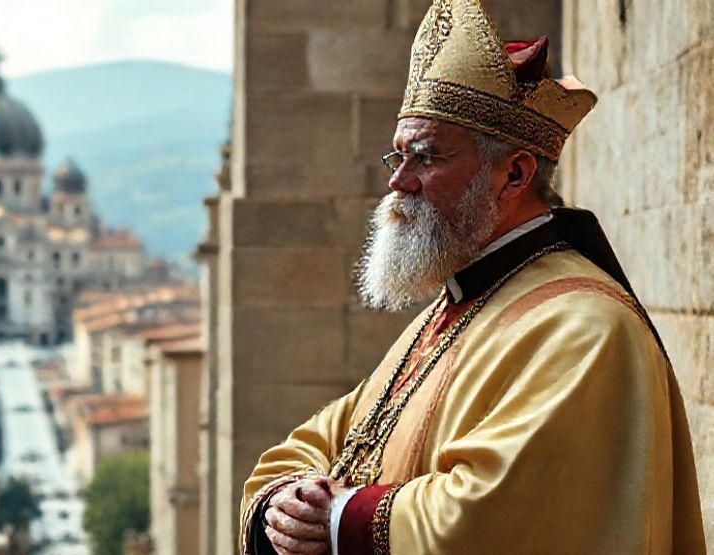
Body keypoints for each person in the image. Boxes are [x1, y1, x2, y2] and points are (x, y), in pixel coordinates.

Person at [238, 1, 707, 554]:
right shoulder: (456, 308)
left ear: (513, 174)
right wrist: (285, 502)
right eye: (398, 158)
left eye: (427, 157)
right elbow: (326, 438)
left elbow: (503, 515)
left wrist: (339, 518)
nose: (400, 182)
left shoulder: (587, 328)